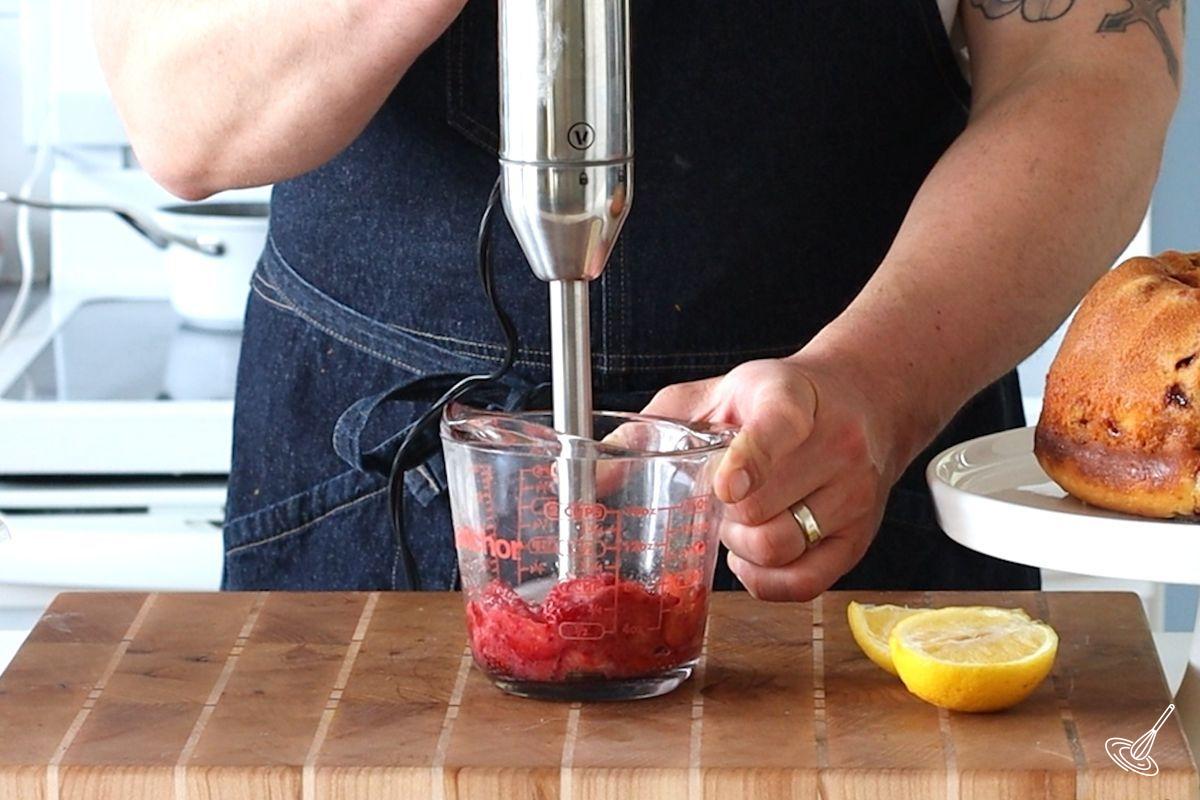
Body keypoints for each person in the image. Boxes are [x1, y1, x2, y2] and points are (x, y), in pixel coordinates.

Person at [94, 0, 1182, 599]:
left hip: (842, 472)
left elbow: (1089, 65)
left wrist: (880, 386)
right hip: (377, 484)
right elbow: (181, 112)